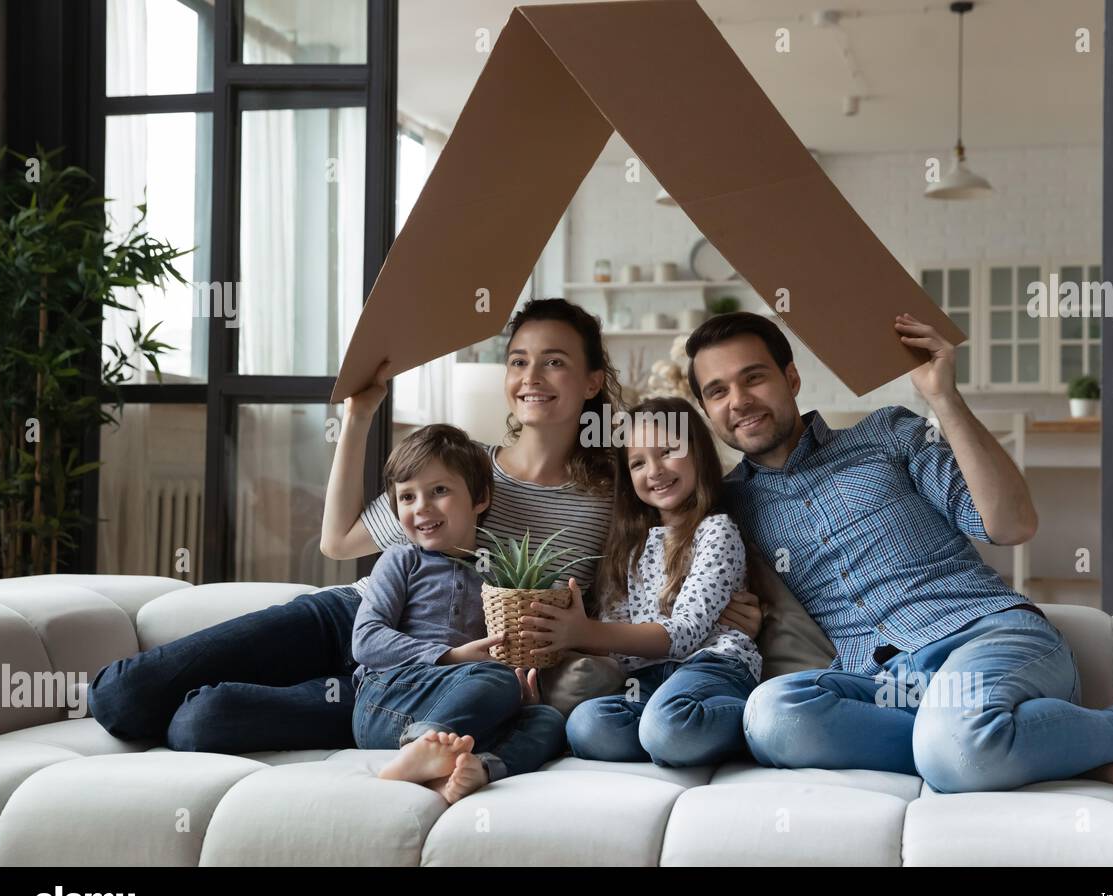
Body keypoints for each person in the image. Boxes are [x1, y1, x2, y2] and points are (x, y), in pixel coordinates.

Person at [89, 298, 763, 753]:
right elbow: (340, 542)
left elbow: (692, 514)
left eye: (554, 360)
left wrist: (733, 609)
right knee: (124, 696)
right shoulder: (465, 468)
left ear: (591, 381)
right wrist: (357, 419)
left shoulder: (616, 491)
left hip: (431, 675)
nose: (532, 375)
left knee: (200, 721)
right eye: (520, 359)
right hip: (354, 619)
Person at [683, 310, 1113, 798]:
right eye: (717, 391)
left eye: (753, 378)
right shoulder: (727, 507)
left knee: (953, 747)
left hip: (984, 634)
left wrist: (943, 397)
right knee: (771, 718)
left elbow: (1011, 524)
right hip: (880, 679)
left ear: (791, 376)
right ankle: (1033, 746)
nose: (739, 401)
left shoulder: (888, 434)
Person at [527, 397, 760, 766]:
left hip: (711, 666)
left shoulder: (716, 531)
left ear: (697, 452)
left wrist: (585, 632)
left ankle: (749, 719)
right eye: (638, 462)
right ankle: (675, 736)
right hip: (648, 680)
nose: (654, 470)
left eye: (668, 450)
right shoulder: (629, 547)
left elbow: (685, 633)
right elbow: (618, 638)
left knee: (668, 723)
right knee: (586, 726)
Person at [351, 424, 565, 803]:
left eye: (439, 491)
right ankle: (422, 744)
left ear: (480, 498)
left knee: (546, 719)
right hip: (386, 703)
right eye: (407, 497)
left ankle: (473, 769)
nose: (422, 508)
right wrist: (450, 657)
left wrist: (522, 695)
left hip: (463, 713)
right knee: (494, 678)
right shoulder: (400, 560)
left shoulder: (498, 574)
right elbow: (366, 640)